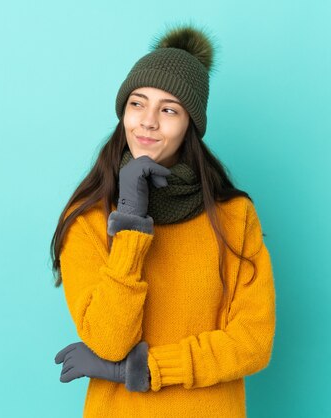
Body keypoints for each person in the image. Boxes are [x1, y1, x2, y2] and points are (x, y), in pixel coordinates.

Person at [50, 23, 276, 418]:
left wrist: (142, 370)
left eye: (168, 109)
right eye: (137, 103)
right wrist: (132, 219)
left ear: (191, 123)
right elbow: (108, 342)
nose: (148, 121)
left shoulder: (234, 216)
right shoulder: (87, 219)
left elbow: (253, 342)